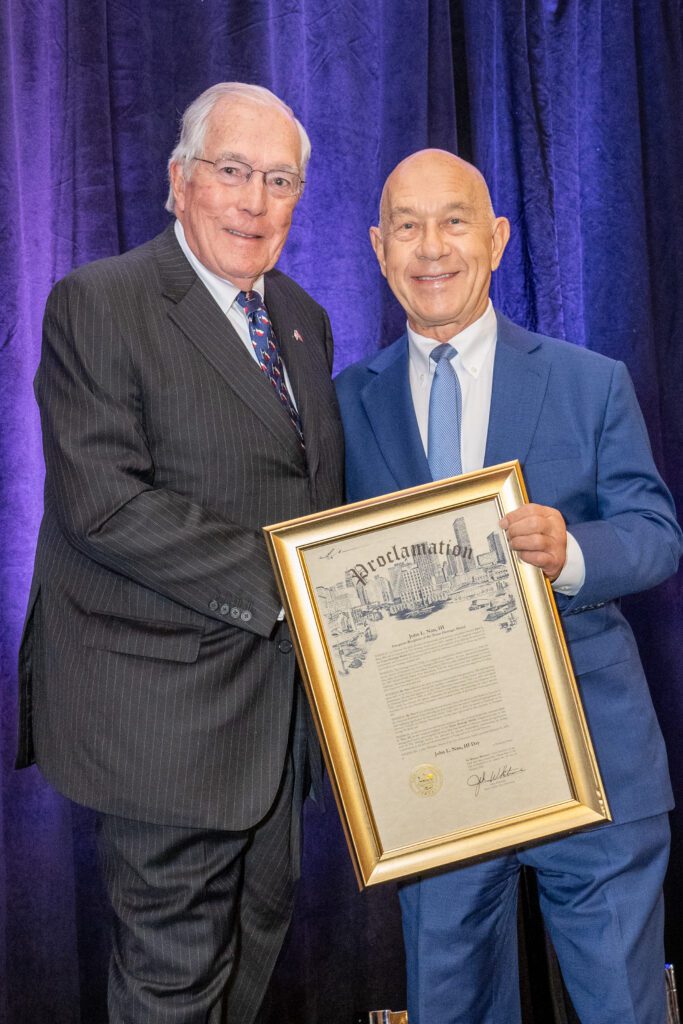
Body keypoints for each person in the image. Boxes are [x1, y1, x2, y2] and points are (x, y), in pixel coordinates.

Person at [17, 82, 344, 1023]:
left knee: (250, 959)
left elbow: (311, 497)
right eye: (231, 171)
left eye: (278, 180)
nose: (253, 201)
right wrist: (289, 587)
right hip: (161, 731)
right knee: (171, 986)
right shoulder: (100, 303)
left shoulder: (302, 319)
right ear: (179, 181)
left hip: (277, 731)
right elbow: (106, 507)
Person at [334, 149, 682, 1024]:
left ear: (495, 238)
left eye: (453, 222)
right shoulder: (343, 404)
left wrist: (569, 551)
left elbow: (654, 536)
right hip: (433, 779)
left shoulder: (587, 380)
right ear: (378, 248)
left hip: (592, 764)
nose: (431, 248)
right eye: (406, 226)